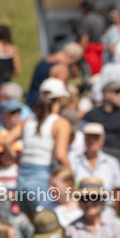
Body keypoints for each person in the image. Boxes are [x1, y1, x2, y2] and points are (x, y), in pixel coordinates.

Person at [14, 78, 71, 213]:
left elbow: (5, 142)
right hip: (42, 176)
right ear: (61, 98)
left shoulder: (28, 120)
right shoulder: (60, 123)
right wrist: (72, 178)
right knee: (49, 222)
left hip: (22, 178)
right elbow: (60, 155)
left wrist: (19, 161)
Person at [69, 122, 120, 208]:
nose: (92, 141)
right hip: (79, 209)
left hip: (106, 210)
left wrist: (118, 214)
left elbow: (117, 191)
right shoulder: (73, 161)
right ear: (84, 139)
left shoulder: (112, 163)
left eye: (95, 138)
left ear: (102, 140)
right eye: (89, 137)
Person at [82, 81, 120, 165]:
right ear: (106, 94)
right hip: (96, 152)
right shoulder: (92, 115)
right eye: (117, 92)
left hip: (118, 153)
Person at [25, 42, 82, 109]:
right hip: (44, 107)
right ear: (72, 57)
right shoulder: (62, 68)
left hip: (31, 99)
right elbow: (59, 94)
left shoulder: (46, 59)